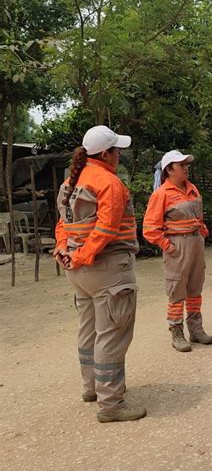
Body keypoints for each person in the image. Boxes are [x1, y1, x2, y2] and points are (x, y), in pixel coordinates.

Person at [53, 125, 146, 424]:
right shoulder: (109, 182)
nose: (119, 155)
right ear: (106, 154)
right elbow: (106, 229)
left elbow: (62, 226)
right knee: (112, 334)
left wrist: (65, 252)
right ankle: (111, 405)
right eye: (117, 150)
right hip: (106, 269)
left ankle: (91, 387)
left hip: (78, 272)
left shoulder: (70, 182)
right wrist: (83, 255)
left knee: (89, 330)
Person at [143, 150, 212, 353]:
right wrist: (167, 245)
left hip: (195, 243)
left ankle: (196, 330)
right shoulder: (161, 194)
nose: (186, 167)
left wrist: (202, 229)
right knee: (176, 291)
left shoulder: (192, 189)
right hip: (177, 246)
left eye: (186, 164)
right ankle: (176, 333)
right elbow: (149, 229)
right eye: (181, 164)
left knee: (195, 289)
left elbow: (197, 215)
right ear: (169, 170)